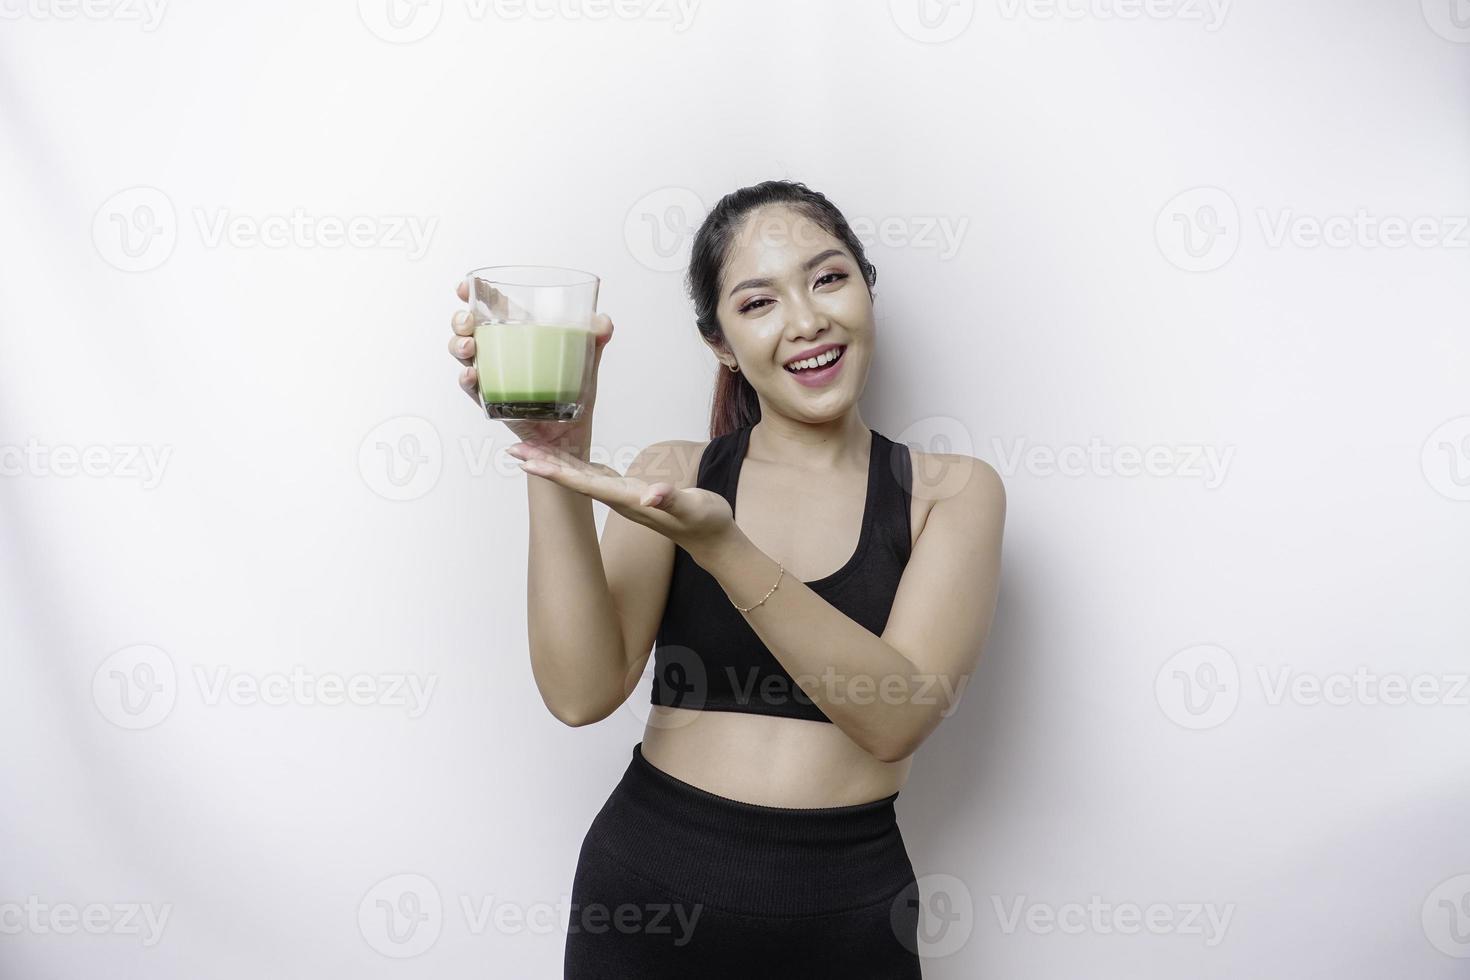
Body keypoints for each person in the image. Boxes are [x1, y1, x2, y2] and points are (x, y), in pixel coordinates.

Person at [445, 179, 1005, 977]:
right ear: (719, 343)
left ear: (865, 288)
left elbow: (897, 718)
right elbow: (580, 693)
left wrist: (722, 546)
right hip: (644, 894)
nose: (807, 321)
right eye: (757, 302)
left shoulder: (950, 493)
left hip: (846, 915)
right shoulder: (672, 472)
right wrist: (555, 457)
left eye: (828, 278)